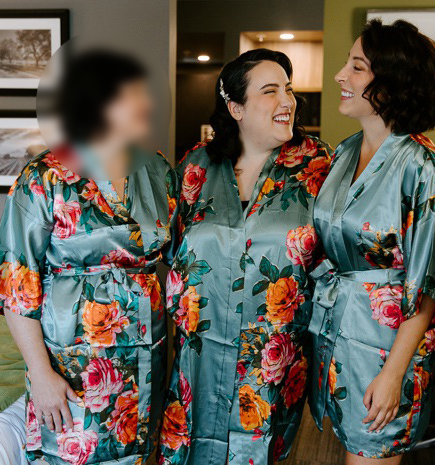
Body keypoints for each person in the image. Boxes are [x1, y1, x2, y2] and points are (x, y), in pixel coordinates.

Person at [0, 50, 178, 465]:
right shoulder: (46, 176)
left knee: (143, 452)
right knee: (75, 455)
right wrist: (42, 374)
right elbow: (15, 285)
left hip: (146, 351)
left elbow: (177, 255)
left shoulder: (157, 170)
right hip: (74, 362)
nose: (146, 105)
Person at [157, 49, 333, 465]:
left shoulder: (318, 167)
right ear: (235, 107)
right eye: (270, 91)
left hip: (272, 362)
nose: (287, 101)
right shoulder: (195, 168)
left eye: (288, 90)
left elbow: (334, 261)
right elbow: (170, 248)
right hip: (198, 358)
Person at [307, 19, 435, 463]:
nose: (340, 76)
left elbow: (427, 282)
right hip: (338, 334)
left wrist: (394, 375)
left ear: (389, 84)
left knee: (371, 453)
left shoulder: (424, 167)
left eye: (356, 67)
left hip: (387, 347)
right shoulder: (344, 152)